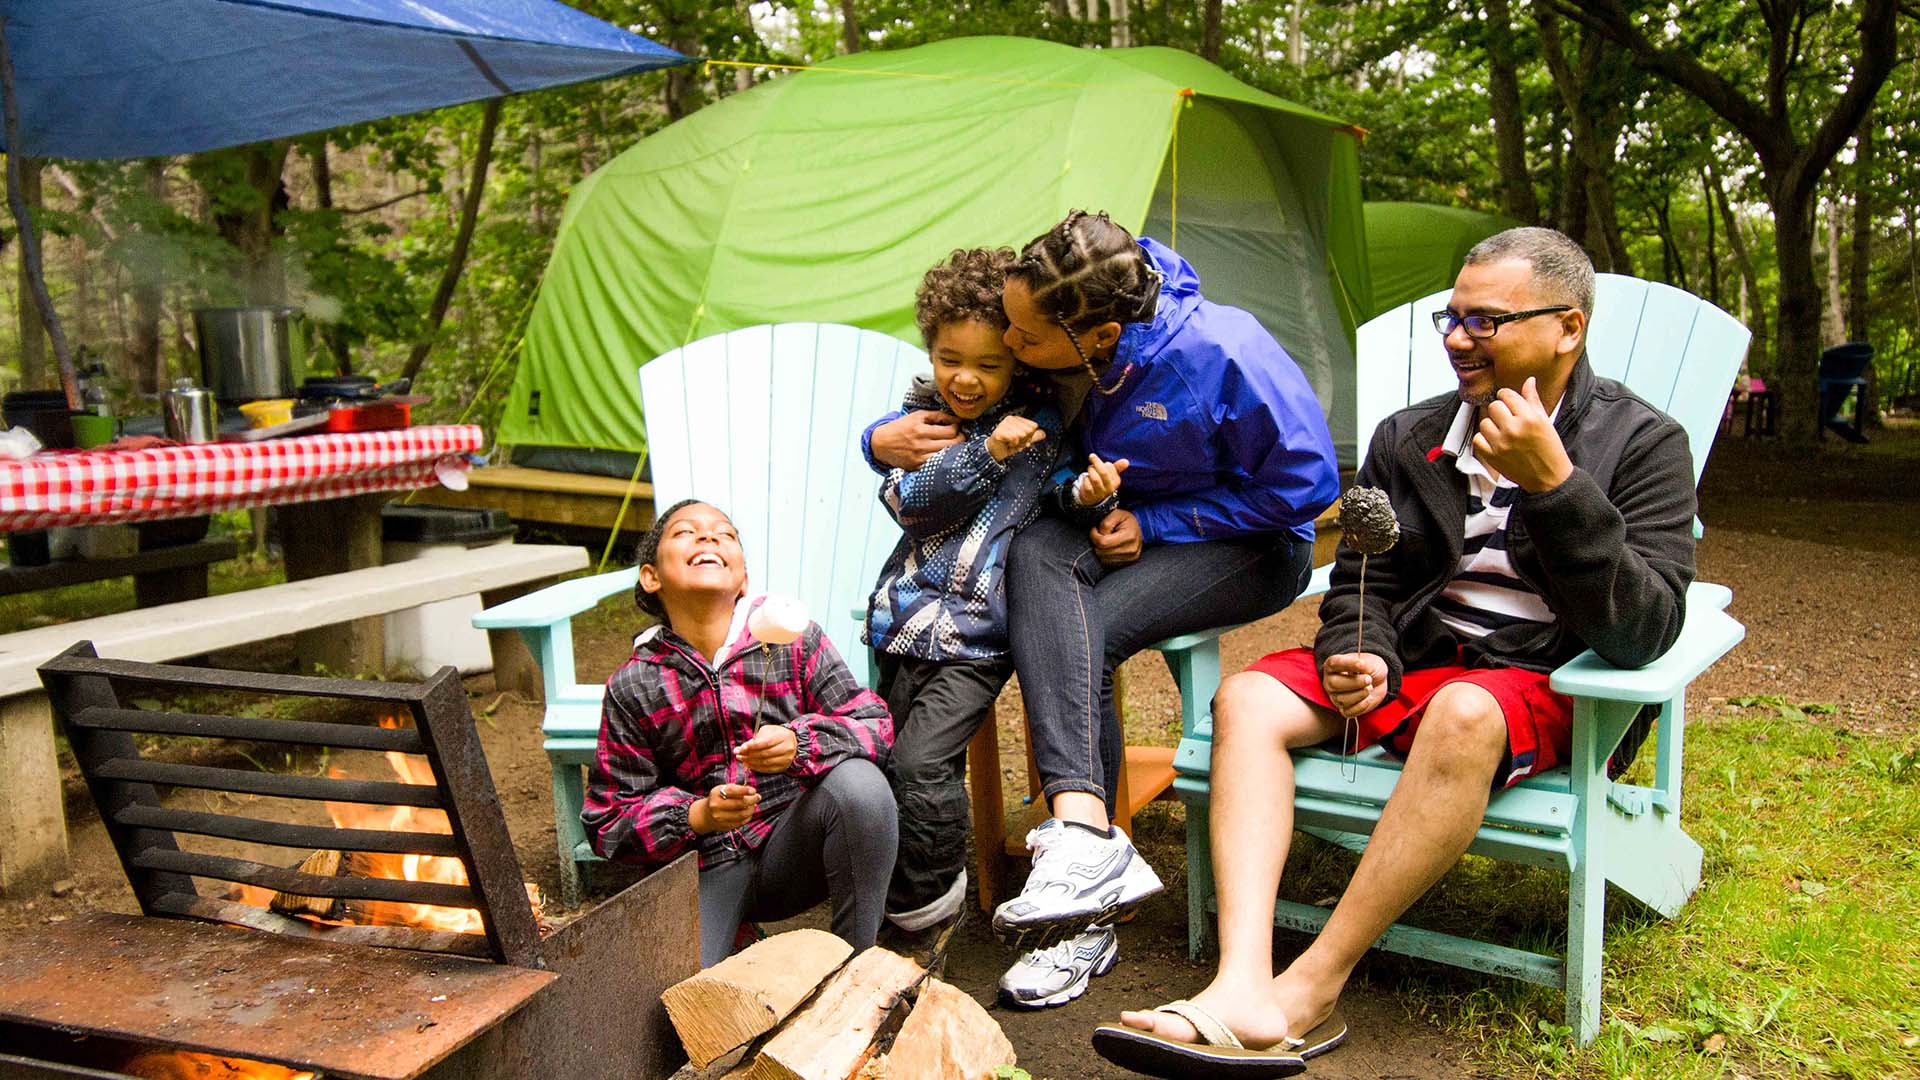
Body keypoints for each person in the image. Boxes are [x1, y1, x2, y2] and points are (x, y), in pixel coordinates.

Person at [1095, 227, 1697, 1074]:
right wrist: (1362, 650)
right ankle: (1240, 979)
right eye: (1450, 318)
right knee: (1248, 699)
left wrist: (1556, 487)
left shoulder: (1644, 444)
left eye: (1486, 321)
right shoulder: (1409, 436)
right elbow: (1361, 582)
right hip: (1421, 660)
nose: (1457, 339)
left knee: (1460, 711)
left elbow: (1644, 629)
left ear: (1568, 327)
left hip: (1547, 680)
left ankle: (1311, 987)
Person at [866, 210, 1340, 1004]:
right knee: (1038, 555)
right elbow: (953, 402)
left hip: (1250, 542)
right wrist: (878, 439)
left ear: (1101, 336)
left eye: (1024, 337)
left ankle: (1081, 911)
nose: (1011, 347)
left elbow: (1306, 488)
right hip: (1106, 517)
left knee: (1081, 634)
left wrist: (1156, 523)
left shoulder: (1222, 352)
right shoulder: (1068, 296)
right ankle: (1086, 844)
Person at [865, 248, 1126, 1002]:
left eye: (986, 364)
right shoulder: (922, 420)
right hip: (900, 624)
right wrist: (978, 452)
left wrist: (1089, 494)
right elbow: (908, 502)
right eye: (950, 359)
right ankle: (894, 890)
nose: (966, 378)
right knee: (884, 760)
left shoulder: (1039, 423)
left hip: (977, 639)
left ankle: (927, 912)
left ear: (1015, 365)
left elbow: (1057, 507)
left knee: (921, 764)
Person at [582, 499, 897, 967]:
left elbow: (875, 725)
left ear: (743, 579)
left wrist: (801, 743)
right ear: (651, 577)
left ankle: (858, 969)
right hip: (705, 867)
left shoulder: (796, 641)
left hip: (794, 848)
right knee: (682, 1005)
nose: (708, 537)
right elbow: (608, 823)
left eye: (724, 534)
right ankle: (736, 941)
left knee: (860, 786)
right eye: (685, 532)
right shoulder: (635, 684)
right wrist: (697, 815)